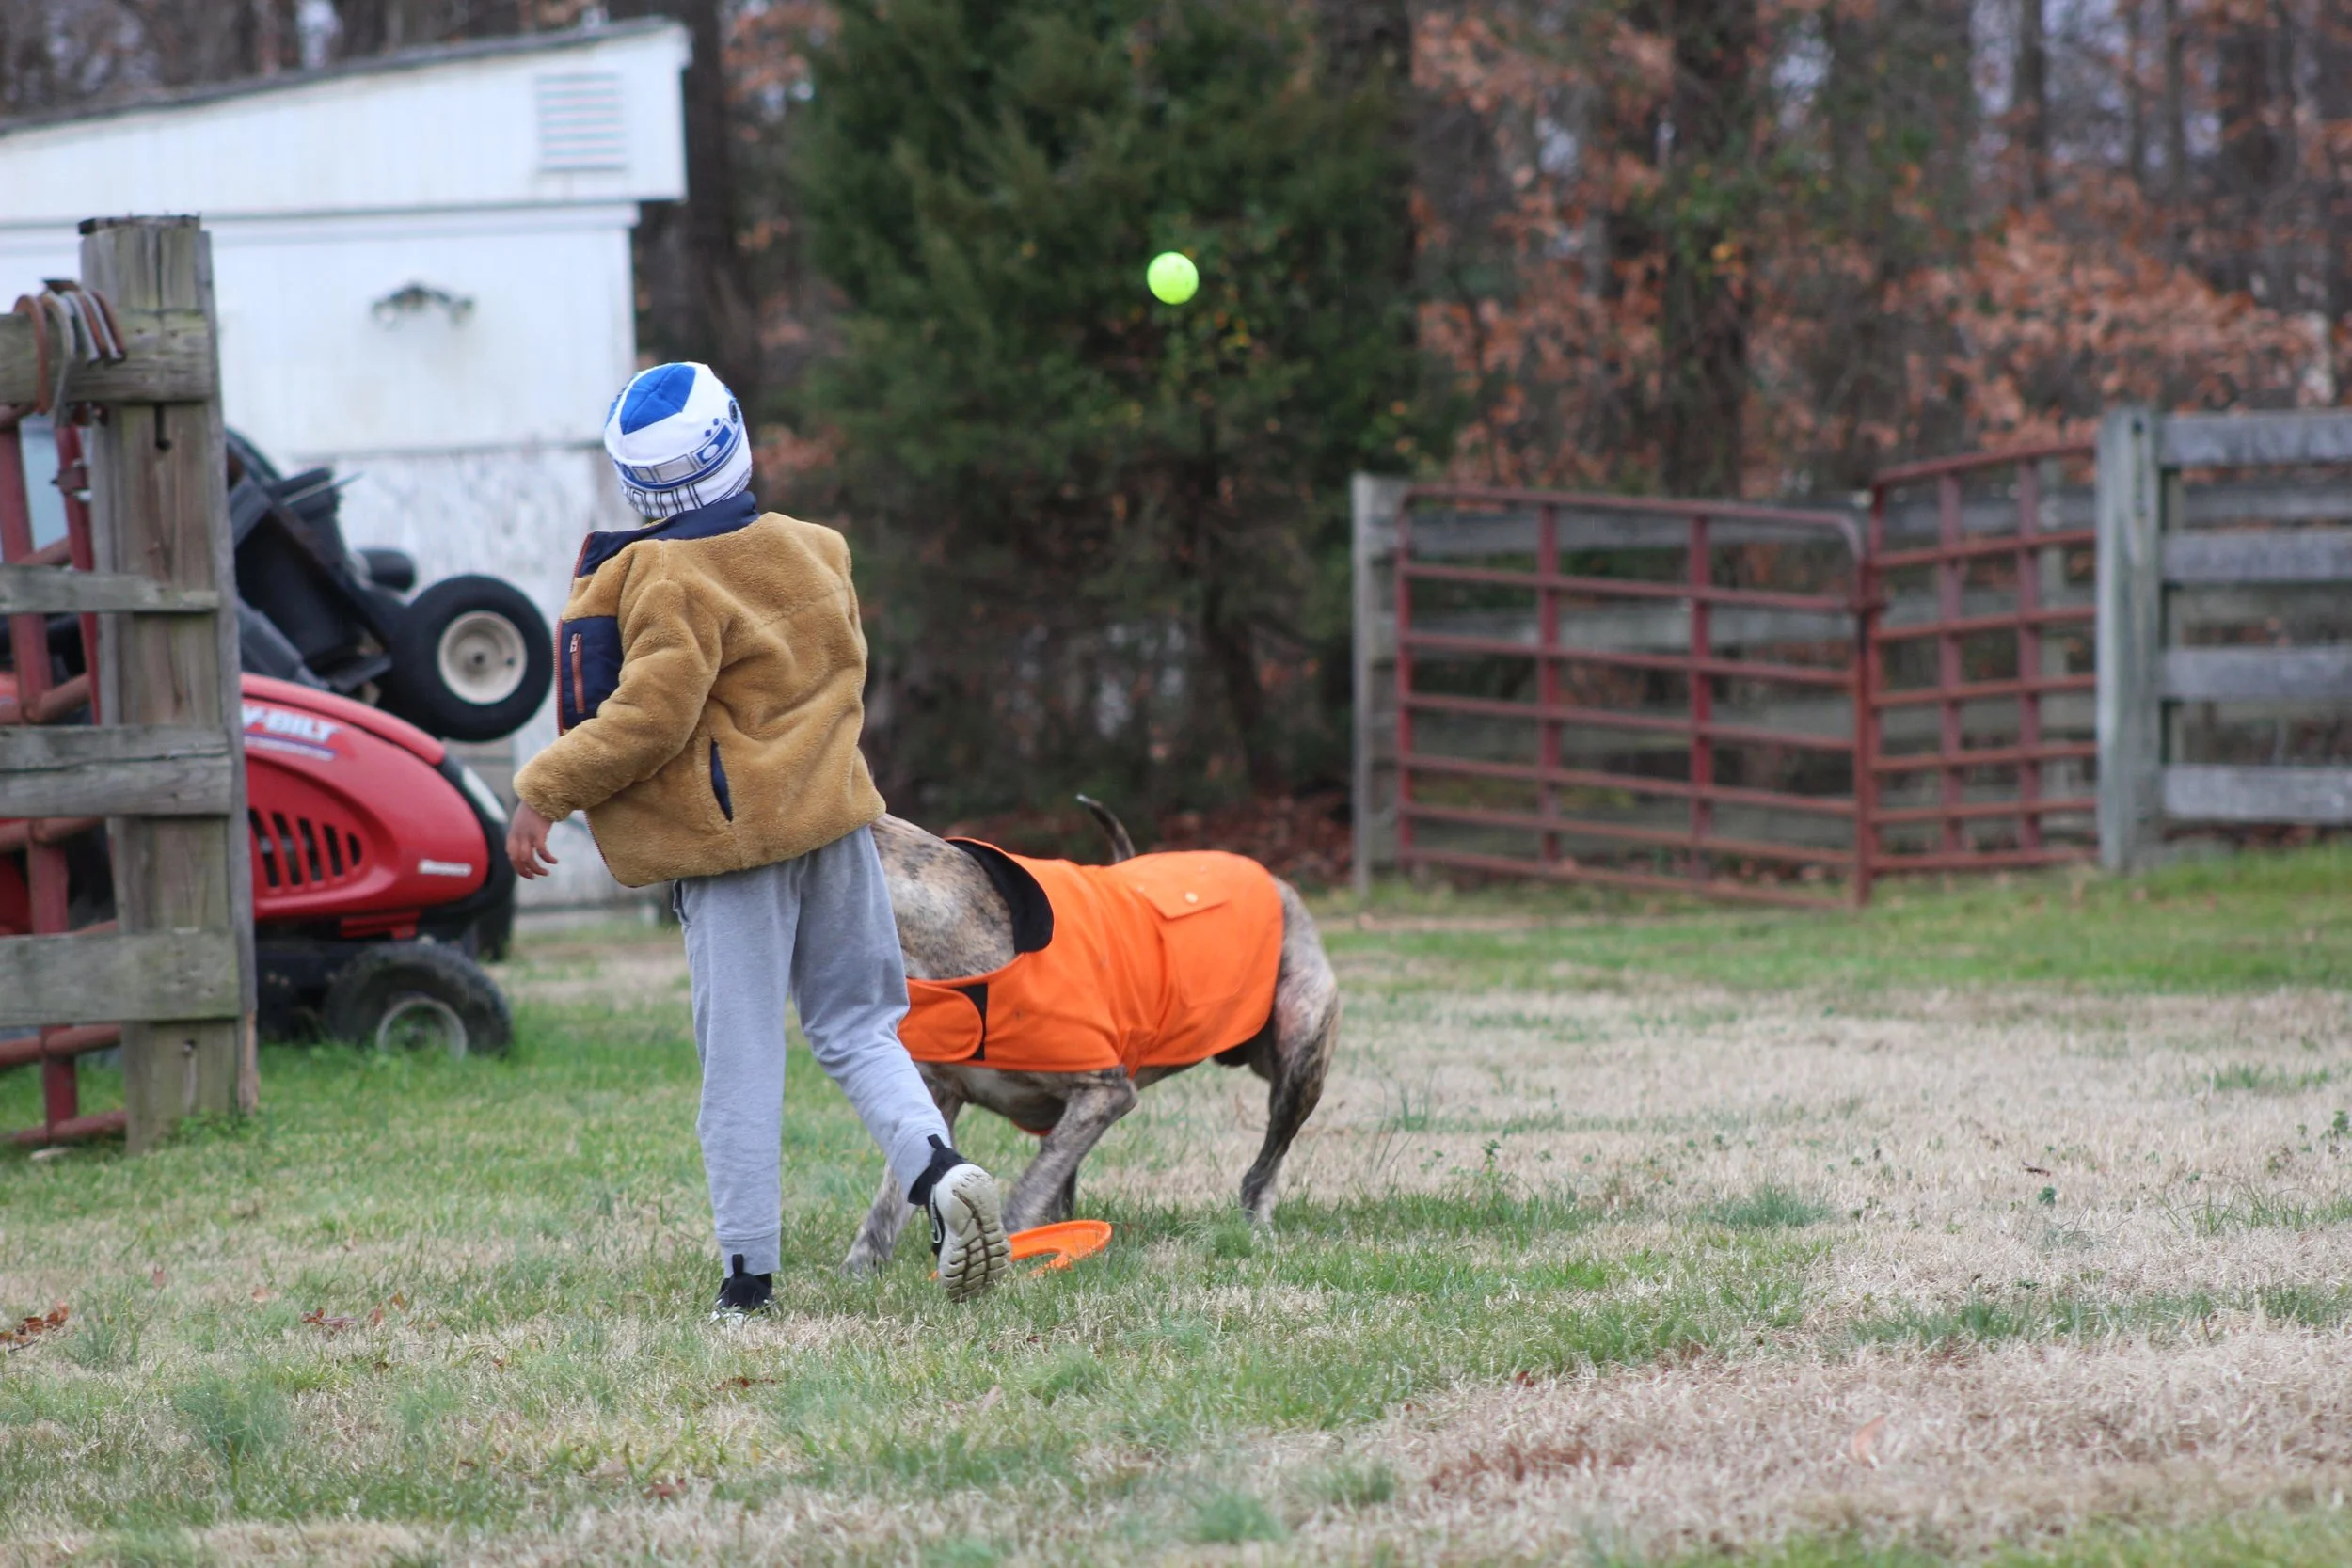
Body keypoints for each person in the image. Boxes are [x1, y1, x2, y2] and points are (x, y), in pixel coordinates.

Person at [503, 361, 1009, 1317]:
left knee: (739, 1062)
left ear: (635, 482)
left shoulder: (663, 576)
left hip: (733, 852)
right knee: (858, 1027)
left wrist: (545, 788)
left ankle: (747, 1281)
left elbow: (649, 718)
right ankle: (940, 1171)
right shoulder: (817, 548)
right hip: (837, 827)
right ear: (736, 439)